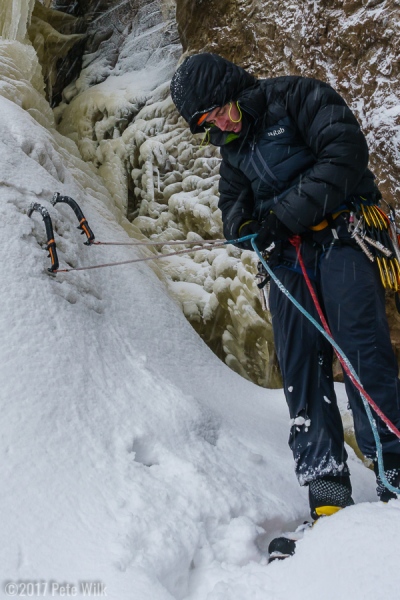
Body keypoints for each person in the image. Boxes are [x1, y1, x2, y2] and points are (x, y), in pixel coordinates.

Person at [170, 52, 400, 519]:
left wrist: (281, 217)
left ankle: (394, 469)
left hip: (344, 234)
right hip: (289, 256)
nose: (220, 123)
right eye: (208, 120)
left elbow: (345, 152)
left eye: (220, 110)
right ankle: (327, 490)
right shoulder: (231, 152)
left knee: (360, 348)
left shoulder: (297, 96)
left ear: (232, 89)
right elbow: (232, 209)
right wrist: (249, 228)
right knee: (300, 365)